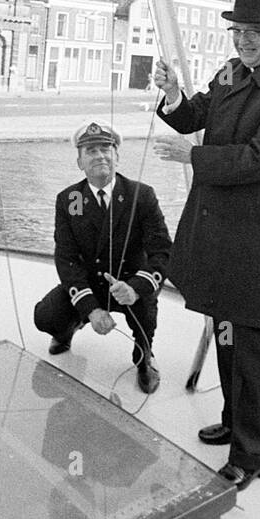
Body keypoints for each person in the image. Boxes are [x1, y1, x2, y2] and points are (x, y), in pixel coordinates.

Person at [153, 0, 260, 489]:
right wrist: (175, 94)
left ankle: (253, 453)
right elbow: (196, 114)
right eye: (238, 31)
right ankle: (233, 418)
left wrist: (193, 158)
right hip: (222, 227)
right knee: (225, 330)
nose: (243, 41)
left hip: (258, 235)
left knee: (250, 346)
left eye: (253, 33)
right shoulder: (232, 73)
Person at [34, 122, 172, 394]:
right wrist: (91, 309)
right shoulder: (70, 199)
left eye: (106, 149)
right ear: (79, 162)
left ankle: (144, 358)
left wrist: (136, 288)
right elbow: (66, 258)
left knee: (145, 315)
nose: (99, 155)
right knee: (46, 316)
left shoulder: (141, 196)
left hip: (130, 284)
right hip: (90, 285)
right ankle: (68, 329)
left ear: (117, 156)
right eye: (90, 151)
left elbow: (162, 252)